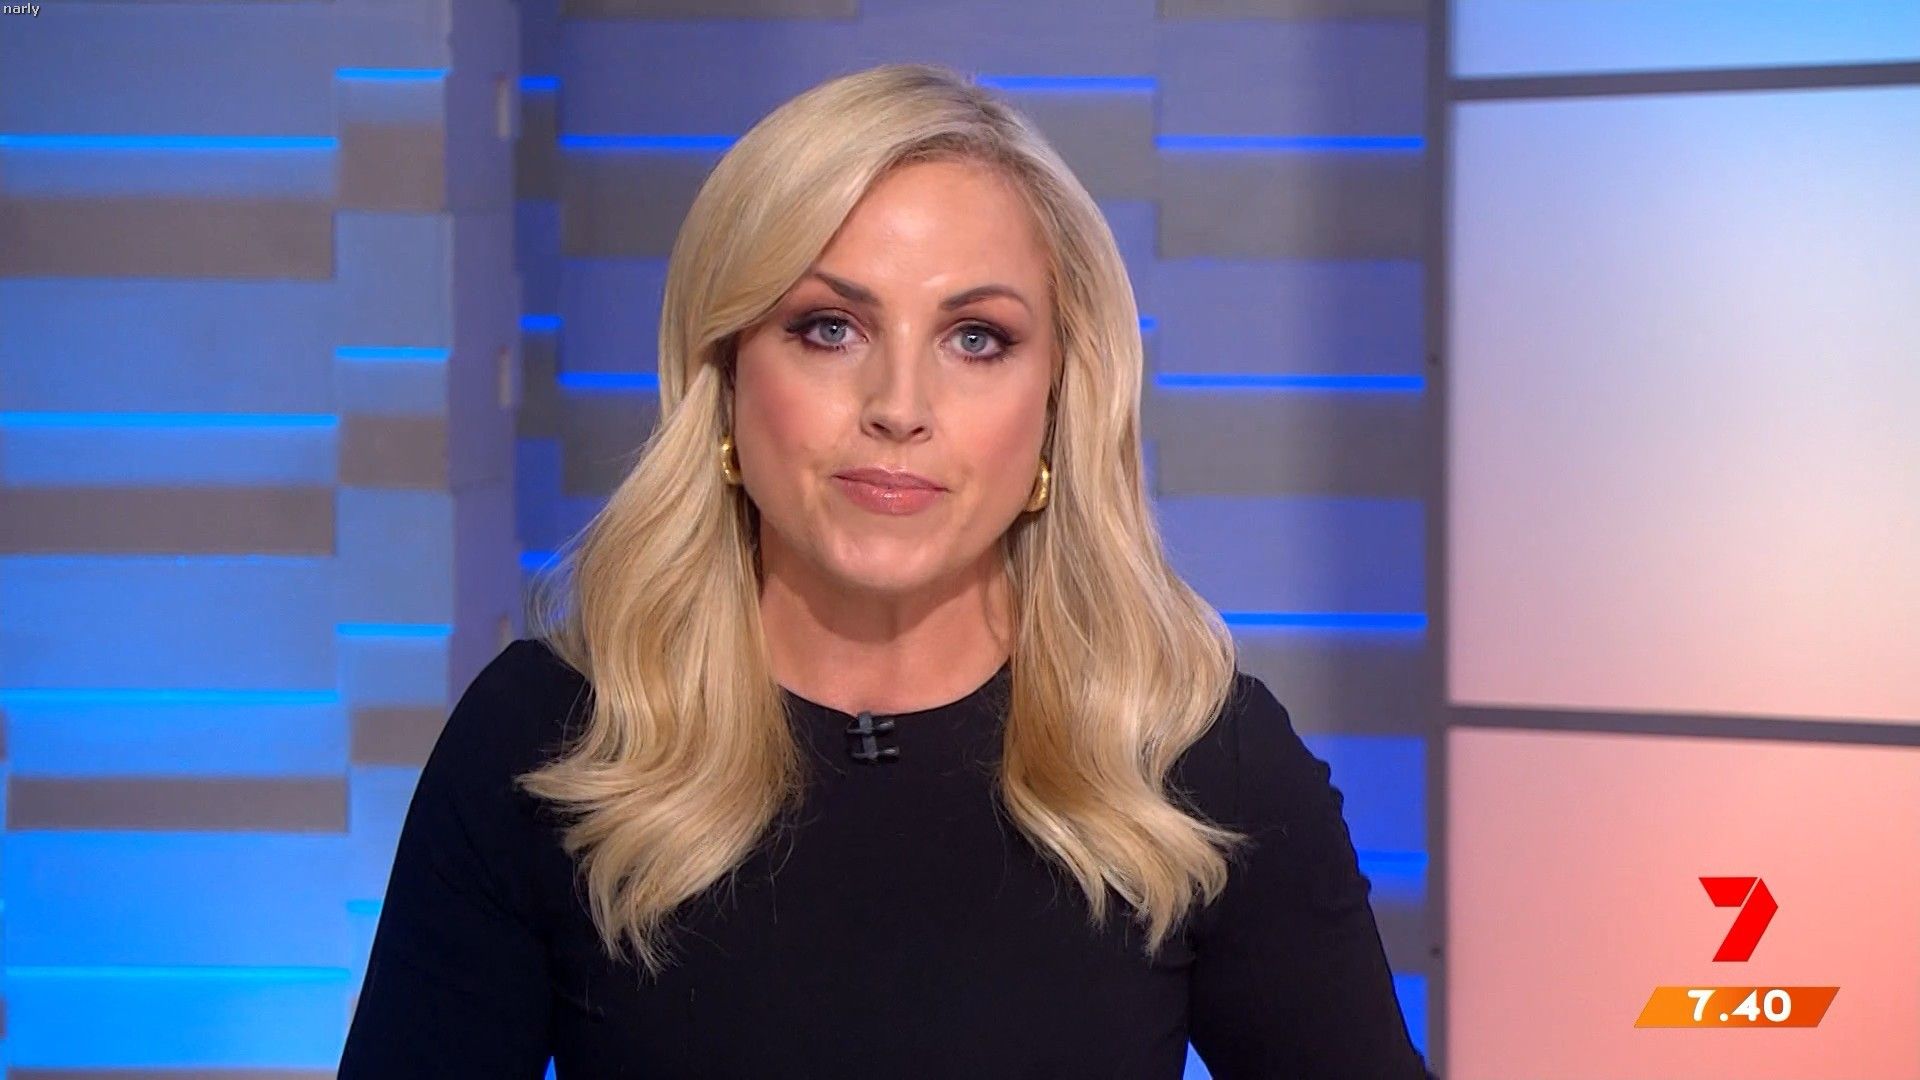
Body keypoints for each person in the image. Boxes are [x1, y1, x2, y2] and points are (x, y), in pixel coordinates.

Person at [338, 61, 1435, 1079]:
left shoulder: (1195, 760)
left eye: (977, 339)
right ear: (726, 377)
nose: (899, 407)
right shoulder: (551, 743)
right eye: (829, 328)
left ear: (1058, 404)